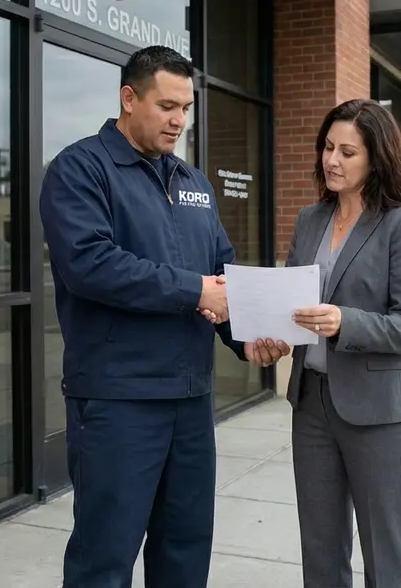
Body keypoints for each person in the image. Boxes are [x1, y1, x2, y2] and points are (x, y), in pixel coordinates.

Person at [39, 45, 247, 588]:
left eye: (186, 108)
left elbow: (223, 274)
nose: (179, 120)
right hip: (118, 401)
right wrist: (195, 288)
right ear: (128, 99)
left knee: (185, 550)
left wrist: (250, 337)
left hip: (190, 400)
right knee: (104, 559)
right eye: (167, 106)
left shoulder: (193, 183)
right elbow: (91, 264)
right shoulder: (80, 169)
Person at [247, 98, 401, 588]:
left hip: (381, 414)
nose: (332, 160)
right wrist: (272, 335)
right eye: (328, 147)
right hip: (312, 406)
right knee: (321, 552)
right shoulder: (310, 219)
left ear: (377, 158)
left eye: (348, 152)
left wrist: (343, 322)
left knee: (386, 558)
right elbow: (293, 303)